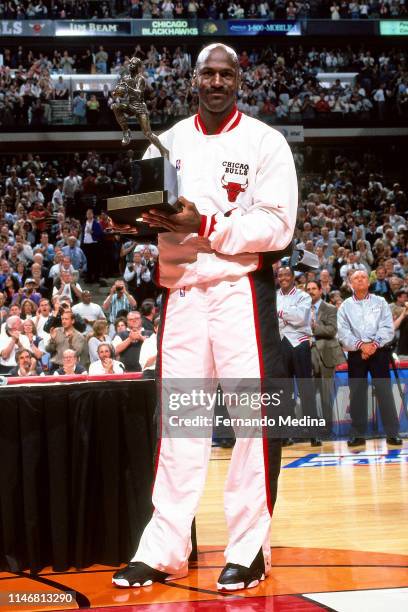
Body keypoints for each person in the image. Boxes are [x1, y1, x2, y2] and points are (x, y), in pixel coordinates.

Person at [113, 44, 297, 592]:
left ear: (239, 80)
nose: (216, 82)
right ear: (194, 81)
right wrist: (135, 224)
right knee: (180, 427)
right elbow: (154, 208)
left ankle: (249, 550)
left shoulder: (267, 141)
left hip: (241, 291)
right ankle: (165, 547)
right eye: (207, 74)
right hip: (185, 296)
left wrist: (209, 222)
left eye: (226, 74)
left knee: (253, 426)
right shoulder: (167, 139)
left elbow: (278, 226)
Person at [337, 270, 402, 447]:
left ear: (368, 282)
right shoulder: (345, 306)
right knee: (356, 393)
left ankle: (392, 433)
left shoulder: (380, 302)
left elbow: (388, 328)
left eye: (363, 277)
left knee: (384, 392)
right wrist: (361, 346)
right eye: (356, 278)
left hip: (379, 351)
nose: (360, 280)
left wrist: (372, 346)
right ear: (350, 284)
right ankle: (357, 434)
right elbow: (343, 333)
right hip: (356, 354)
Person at [276, 267, 321, 446]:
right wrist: (290, 315)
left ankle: (313, 433)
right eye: (280, 275)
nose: (283, 278)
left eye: (287, 275)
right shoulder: (273, 296)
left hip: (300, 343)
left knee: (306, 389)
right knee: (284, 392)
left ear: (293, 277)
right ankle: (287, 434)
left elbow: (301, 319)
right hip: (280, 344)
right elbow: (271, 320)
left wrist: (280, 313)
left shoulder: (303, 296)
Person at [306, 280, 346, 436]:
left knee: (325, 393)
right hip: (307, 353)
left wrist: (314, 327)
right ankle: (312, 427)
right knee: (308, 392)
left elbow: (331, 330)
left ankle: (327, 427)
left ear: (320, 290)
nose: (310, 291)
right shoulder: (302, 309)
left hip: (326, 354)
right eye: (308, 289)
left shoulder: (330, 308)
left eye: (313, 289)